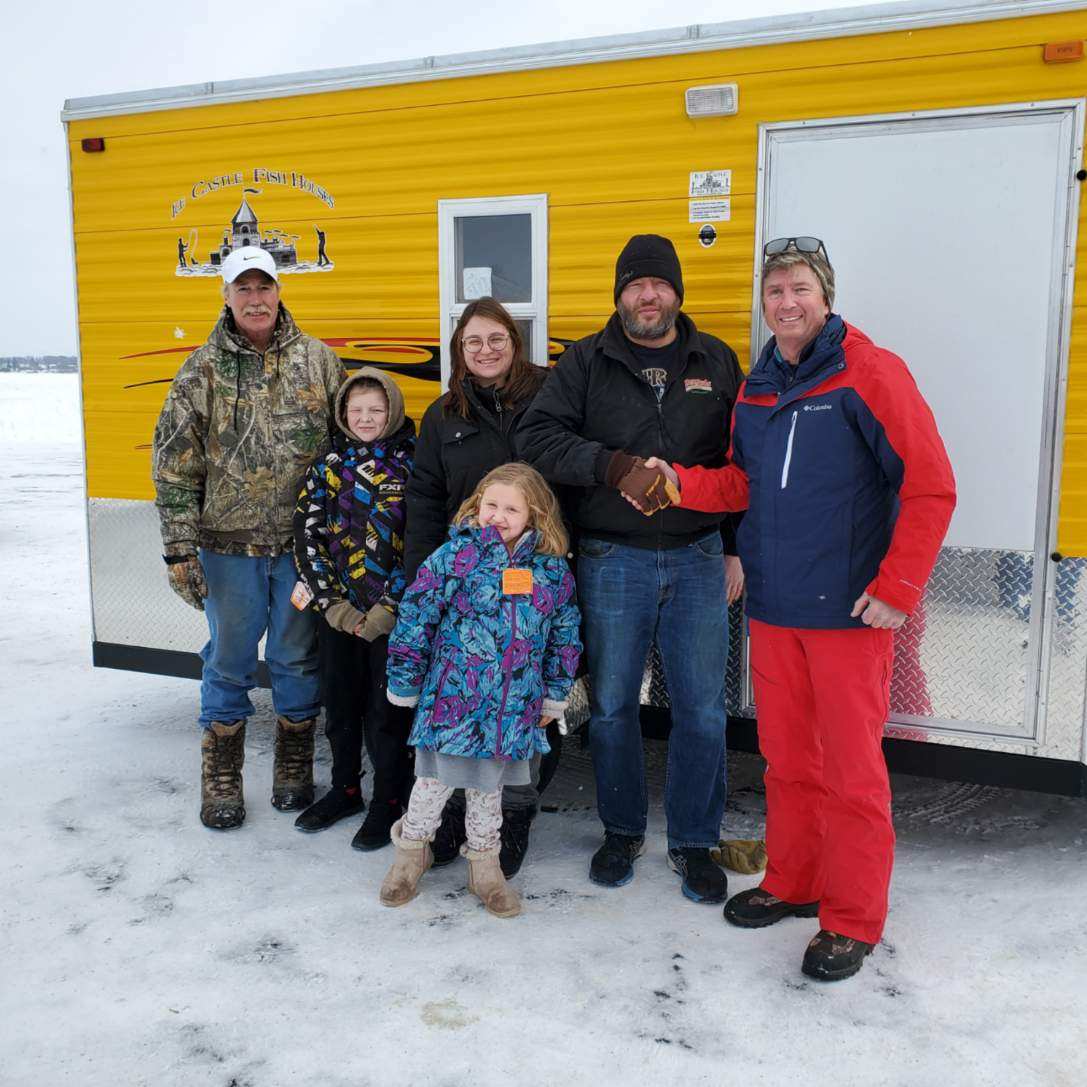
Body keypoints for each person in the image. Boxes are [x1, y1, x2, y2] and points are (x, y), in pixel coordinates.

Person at [650, 236, 956, 980]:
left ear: (825, 296)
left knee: (852, 772)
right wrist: (677, 482)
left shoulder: (869, 373)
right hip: (776, 609)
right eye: (774, 291)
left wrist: (896, 588)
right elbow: (740, 485)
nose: (785, 302)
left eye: (798, 289)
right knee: (787, 761)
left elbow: (929, 486)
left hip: (850, 613)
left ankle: (851, 916)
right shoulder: (758, 388)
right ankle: (794, 879)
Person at [518, 234, 745, 903]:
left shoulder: (718, 361)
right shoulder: (585, 361)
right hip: (611, 559)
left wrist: (737, 547)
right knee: (613, 706)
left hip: (699, 556)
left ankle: (694, 840)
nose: (647, 296)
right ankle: (620, 832)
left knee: (703, 708)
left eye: (658, 284)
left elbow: (744, 463)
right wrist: (612, 468)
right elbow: (537, 437)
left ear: (676, 291)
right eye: (634, 285)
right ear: (618, 294)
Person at [152, 245, 344, 830]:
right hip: (226, 548)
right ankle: (222, 778)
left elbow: (349, 449)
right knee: (229, 662)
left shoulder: (318, 361)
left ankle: (292, 767)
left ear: (279, 293)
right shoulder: (199, 370)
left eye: (264, 288)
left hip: (299, 552)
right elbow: (174, 466)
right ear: (226, 296)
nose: (255, 299)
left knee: (295, 658)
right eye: (244, 289)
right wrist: (181, 550)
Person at [380, 463, 582, 917]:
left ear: (534, 514)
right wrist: (406, 680)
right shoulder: (455, 558)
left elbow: (565, 633)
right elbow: (417, 616)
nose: (498, 515)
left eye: (511, 508)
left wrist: (554, 692)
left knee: (488, 795)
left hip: (509, 712)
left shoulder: (550, 572)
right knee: (430, 786)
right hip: (452, 703)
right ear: (477, 505)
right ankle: (411, 853)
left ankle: (485, 868)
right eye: (491, 504)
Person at [405, 297, 553, 877]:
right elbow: (423, 497)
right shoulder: (445, 415)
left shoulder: (550, 396)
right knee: (463, 697)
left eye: (497, 339)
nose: (485, 351)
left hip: (536, 574)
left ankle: (513, 817)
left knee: (527, 695)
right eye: (473, 342)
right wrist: (424, 577)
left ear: (514, 344)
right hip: (466, 586)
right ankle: (456, 821)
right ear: (458, 350)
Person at [291, 367, 416, 849]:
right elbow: (307, 536)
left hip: (392, 616)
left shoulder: (414, 464)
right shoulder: (326, 467)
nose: (365, 418)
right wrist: (332, 603)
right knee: (340, 705)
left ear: (394, 411)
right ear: (343, 414)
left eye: (376, 410)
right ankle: (345, 788)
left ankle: (389, 799)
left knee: (387, 711)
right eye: (356, 410)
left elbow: (422, 541)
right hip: (339, 613)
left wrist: (391, 605)